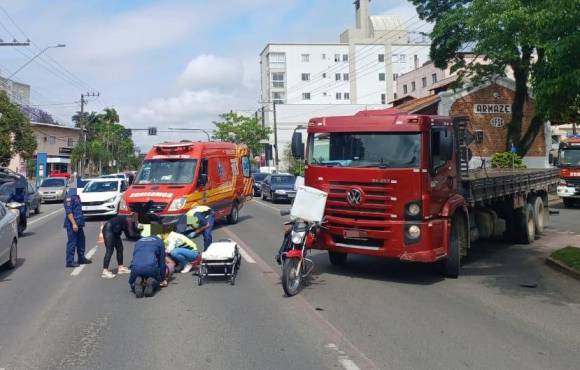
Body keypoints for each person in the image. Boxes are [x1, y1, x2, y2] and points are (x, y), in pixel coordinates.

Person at [101, 213, 138, 279]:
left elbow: (130, 232)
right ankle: (105, 271)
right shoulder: (128, 220)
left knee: (120, 248)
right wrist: (140, 237)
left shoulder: (128, 219)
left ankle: (121, 268)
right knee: (109, 250)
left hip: (115, 232)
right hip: (108, 230)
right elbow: (129, 235)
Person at [64, 188, 92, 268]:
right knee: (72, 242)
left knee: (81, 241)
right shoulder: (69, 197)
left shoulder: (76, 196)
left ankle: (81, 258)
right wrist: (73, 223)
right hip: (72, 224)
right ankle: (70, 261)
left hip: (79, 223)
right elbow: (69, 212)